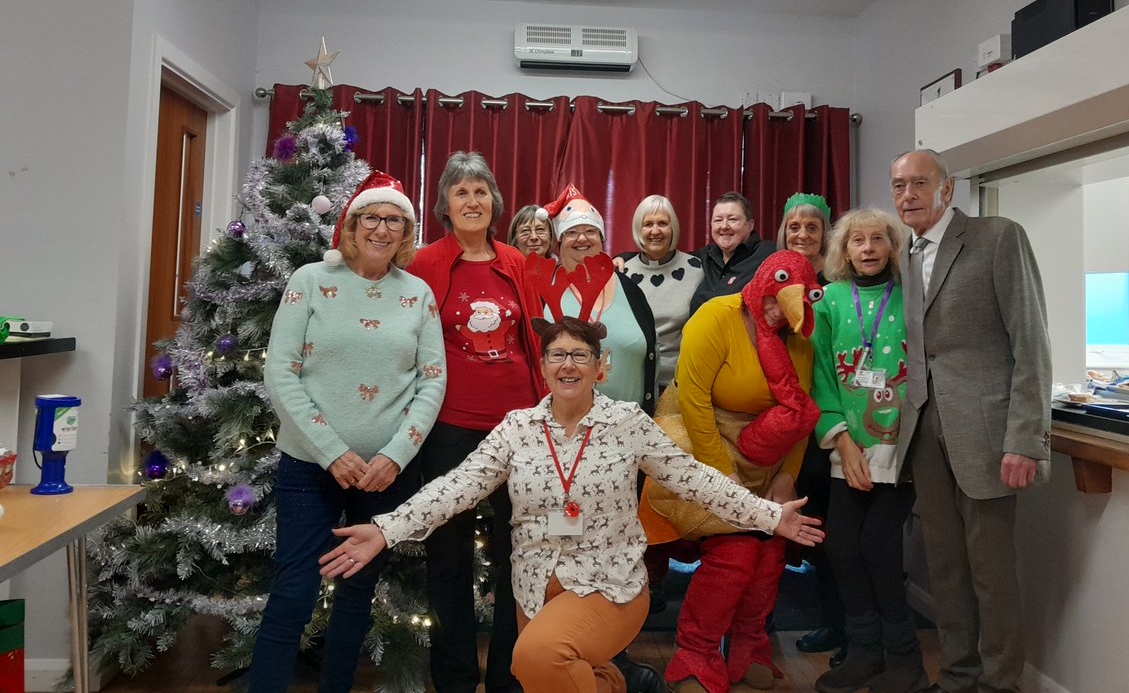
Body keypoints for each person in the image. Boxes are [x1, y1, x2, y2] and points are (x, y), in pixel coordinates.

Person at [318, 316, 826, 693]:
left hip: (610, 584)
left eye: (580, 355)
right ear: (542, 367)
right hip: (534, 587)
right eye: (557, 354)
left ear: (599, 367)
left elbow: (694, 478)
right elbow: (457, 486)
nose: (568, 364)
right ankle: (608, 683)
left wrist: (768, 515)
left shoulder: (627, 424)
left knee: (536, 658)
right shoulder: (517, 429)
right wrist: (386, 529)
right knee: (553, 674)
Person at [248, 171, 446, 693]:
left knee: (358, 594)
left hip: (384, 475)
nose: (382, 229)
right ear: (352, 226)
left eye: (395, 221)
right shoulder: (309, 281)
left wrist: (398, 455)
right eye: (372, 218)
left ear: (406, 234)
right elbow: (280, 371)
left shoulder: (418, 294)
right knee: (294, 591)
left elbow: (432, 381)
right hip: (310, 467)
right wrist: (332, 451)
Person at [890, 149, 1051, 693]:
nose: (906, 195)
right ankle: (959, 677)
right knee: (944, 567)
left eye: (918, 183)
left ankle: (1000, 683)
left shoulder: (998, 237)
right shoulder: (905, 256)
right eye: (897, 186)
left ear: (947, 188)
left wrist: (1026, 440)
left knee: (991, 571)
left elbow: (1031, 343)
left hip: (987, 435)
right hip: (924, 433)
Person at [652, 251, 824, 693]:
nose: (775, 313)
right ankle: (695, 655)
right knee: (736, 551)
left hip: (765, 454)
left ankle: (750, 648)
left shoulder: (799, 337)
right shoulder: (717, 316)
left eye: (787, 307)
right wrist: (719, 475)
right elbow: (692, 400)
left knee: (769, 554)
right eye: (772, 300)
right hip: (701, 440)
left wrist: (787, 478)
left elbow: (801, 415)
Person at [407, 151, 544, 693]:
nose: (471, 200)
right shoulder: (424, 263)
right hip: (449, 429)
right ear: (444, 203)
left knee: (522, 554)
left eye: (480, 191)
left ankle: (511, 675)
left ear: (494, 202)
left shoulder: (514, 260)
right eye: (460, 191)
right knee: (447, 558)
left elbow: (533, 342)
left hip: (518, 430)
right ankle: (456, 678)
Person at [809, 208, 927, 693]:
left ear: (894, 247)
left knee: (878, 547)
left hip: (903, 447)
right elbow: (818, 374)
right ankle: (864, 652)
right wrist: (841, 439)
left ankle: (906, 659)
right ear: (845, 249)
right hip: (847, 446)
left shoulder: (914, 297)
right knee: (840, 547)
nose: (869, 248)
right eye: (858, 240)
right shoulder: (830, 300)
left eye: (879, 239)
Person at [776, 192, 845, 663]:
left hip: (829, 424)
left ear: (826, 234)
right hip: (780, 423)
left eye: (812, 227)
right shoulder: (774, 278)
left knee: (829, 531)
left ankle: (841, 625)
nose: (802, 235)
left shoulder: (838, 284)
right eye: (794, 226)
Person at [540, 183, 658, 413]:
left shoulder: (631, 289)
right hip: (561, 428)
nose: (581, 238)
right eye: (571, 232)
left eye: (591, 231)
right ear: (559, 241)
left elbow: (654, 353)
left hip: (629, 428)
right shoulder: (544, 291)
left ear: (601, 237)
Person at [616, 195, 704, 388]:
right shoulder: (623, 272)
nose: (655, 231)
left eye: (663, 223)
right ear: (638, 229)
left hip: (681, 381)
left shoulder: (696, 269)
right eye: (648, 224)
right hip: (635, 380)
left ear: (673, 228)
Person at [689, 191, 775, 313]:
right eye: (718, 220)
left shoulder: (769, 254)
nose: (724, 226)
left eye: (732, 219)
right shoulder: (703, 257)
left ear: (750, 225)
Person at [776, 191, 833, 282]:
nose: (803, 235)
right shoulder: (774, 274)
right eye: (794, 228)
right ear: (784, 233)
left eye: (812, 228)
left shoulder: (839, 276)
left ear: (824, 233)